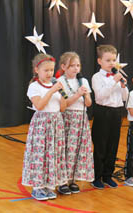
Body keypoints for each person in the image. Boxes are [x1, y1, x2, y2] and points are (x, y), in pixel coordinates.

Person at [22, 53, 68, 200]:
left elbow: (62, 108)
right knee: (40, 155)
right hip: (42, 124)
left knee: (53, 154)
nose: (50, 73)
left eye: (51, 70)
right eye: (46, 70)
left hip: (56, 123)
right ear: (37, 70)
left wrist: (62, 94)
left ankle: (49, 186)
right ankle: (37, 187)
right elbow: (40, 105)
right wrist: (52, 91)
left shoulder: (55, 86)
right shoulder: (34, 87)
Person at [91, 45, 128, 189]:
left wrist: (123, 86)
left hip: (116, 112)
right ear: (99, 61)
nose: (111, 63)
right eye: (108, 60)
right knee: (101, 146)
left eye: (113, 60)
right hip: (103, 112)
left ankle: (108, 175)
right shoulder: (97, 77)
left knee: (113, 145)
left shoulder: (117, 76)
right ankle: (96, 177)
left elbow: (125, 98)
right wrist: (113, 81)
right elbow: (100, 96)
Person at [57, 52, 94, 194]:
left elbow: (89, 103)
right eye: (72, 66)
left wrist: (85, 95)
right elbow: (64, 104)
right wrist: (77, 94)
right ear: (63, 66)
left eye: (78, 65)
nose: (75, 69)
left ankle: (73, 179)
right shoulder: (60, 82)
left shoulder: (83, 81)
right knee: (67, 149)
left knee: (78, 149)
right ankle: (63, 181)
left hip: (81, 118)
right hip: (68, 118)